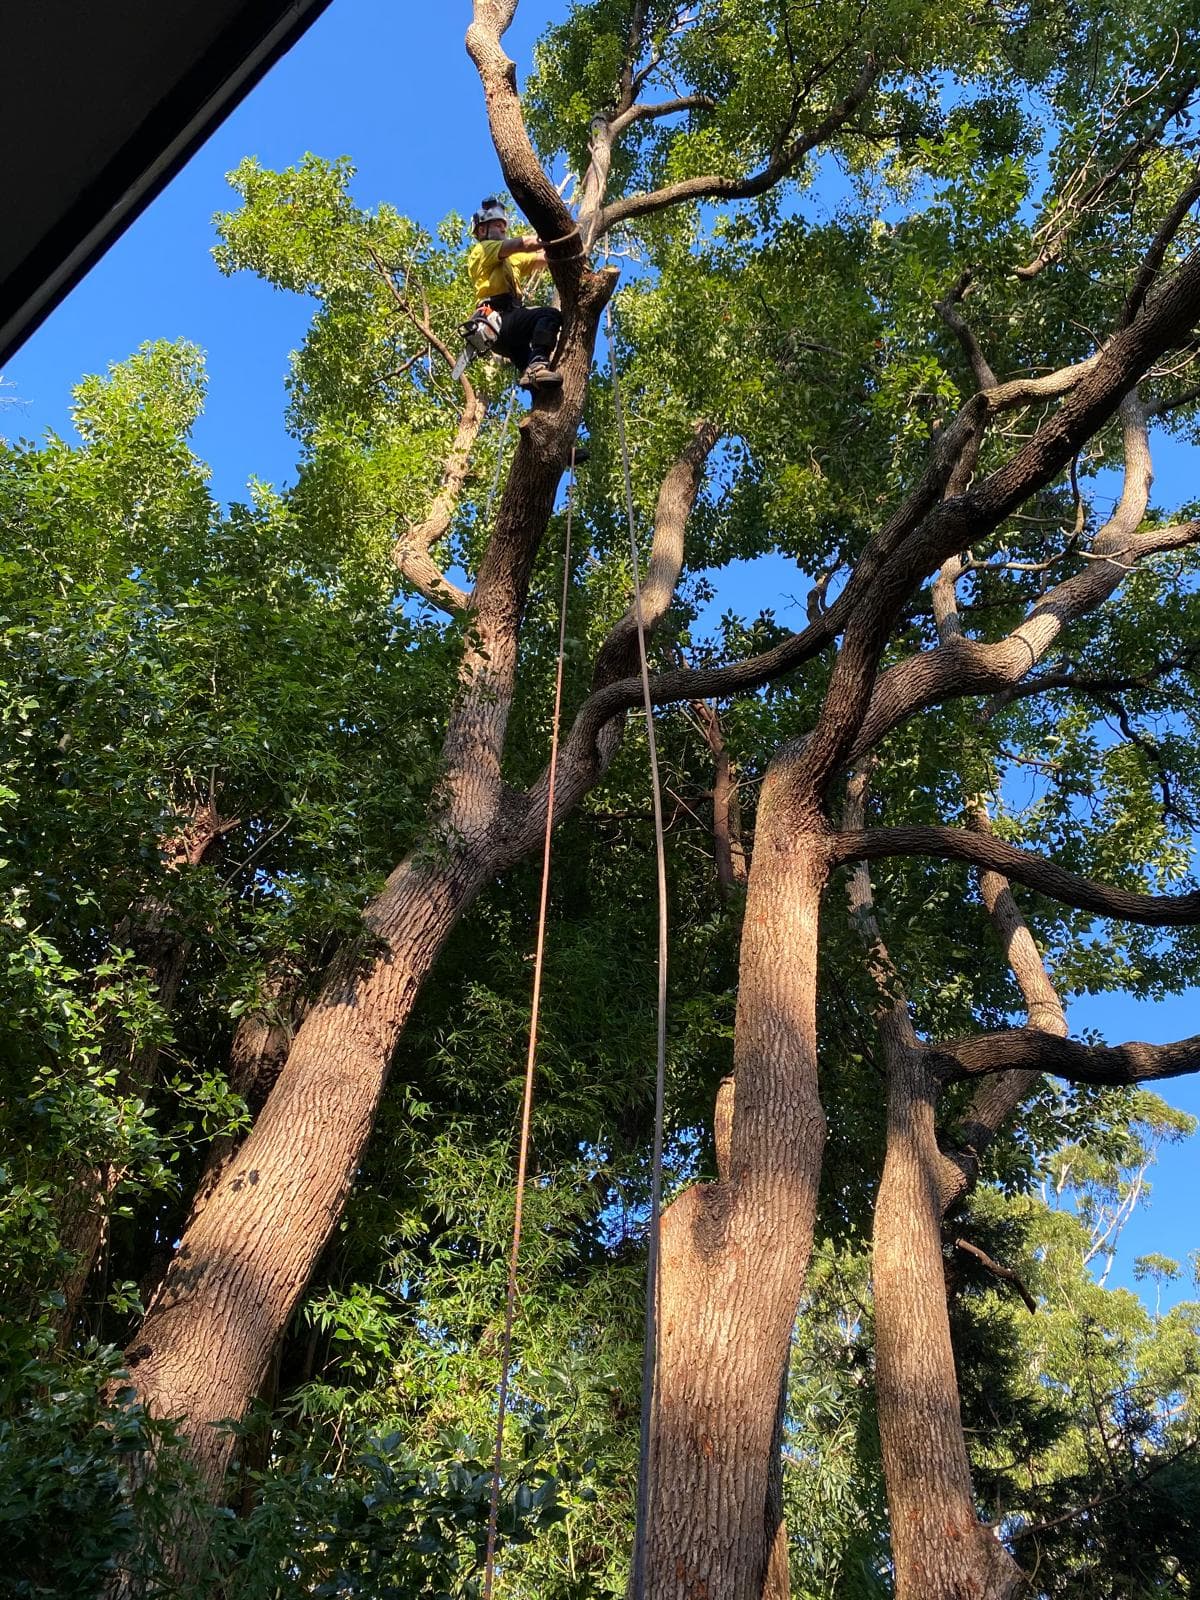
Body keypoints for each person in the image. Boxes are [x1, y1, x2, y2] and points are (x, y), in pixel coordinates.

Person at [466, 197, 563, 391]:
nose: (503, 229)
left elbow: (541, 258)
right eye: (497, 225)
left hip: (510, 333)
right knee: (548, 315)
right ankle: (536, 366)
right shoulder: (483, 250)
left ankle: (535, 381)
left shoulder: (511, 259)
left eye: (504, 225)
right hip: (498, 319)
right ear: (482, 230)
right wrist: (552, 235)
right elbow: (522, 244)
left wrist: (567, 245)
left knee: (537, 382)